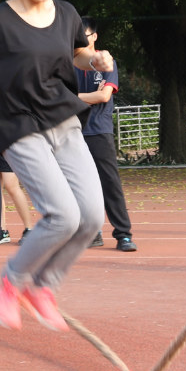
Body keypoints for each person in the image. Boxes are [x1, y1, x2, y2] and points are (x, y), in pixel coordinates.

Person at [0, 0, 113, 333]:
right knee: (62, 215)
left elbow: (78, 55)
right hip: (21, 127)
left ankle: (43, 287)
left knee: (91, 218)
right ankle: (8, 285)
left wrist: (95, 60)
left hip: (64, 122)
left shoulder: (67, 13)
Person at [75, 16, 135, 252]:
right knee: (80, 184)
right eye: (77, 37)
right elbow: (58, 97)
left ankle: (123, 235)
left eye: (85, 35)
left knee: (110, 183)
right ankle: (92, 232)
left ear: (95, 36)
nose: (80, 40)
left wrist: (74, 98)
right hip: (73, 131)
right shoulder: (69, 64)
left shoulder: (107, 61)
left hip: (99, 130)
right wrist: (85, 97)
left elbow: (104, 96)